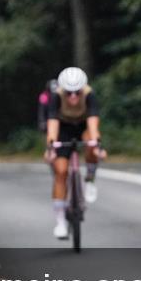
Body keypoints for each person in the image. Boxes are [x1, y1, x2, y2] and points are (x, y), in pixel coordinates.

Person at [45, 67, 105, 239]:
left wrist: (97, 146)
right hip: (63, 128)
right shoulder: (56, 96)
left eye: (76, 92)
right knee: (61, 172)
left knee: (92, 144)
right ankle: (60, 222)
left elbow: (93, 126)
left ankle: (90, 179)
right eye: (69, 92)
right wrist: (50, 146)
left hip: (83, 126)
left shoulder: (89, 94)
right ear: (63, 90)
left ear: (82, 89)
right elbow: (52, 125)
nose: (73, 96)